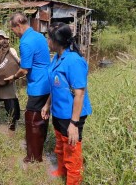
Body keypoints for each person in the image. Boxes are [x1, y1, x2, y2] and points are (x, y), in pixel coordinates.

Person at [41, 22, 92, 184]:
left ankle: (74, 180)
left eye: (49, 38)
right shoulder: (57, 58)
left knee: (72, 150)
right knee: (60, 144)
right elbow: (56, 86)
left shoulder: (74, 61)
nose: (47, 42)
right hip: (58, 112)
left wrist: (74, 123)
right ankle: (61, 170)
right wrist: (47, 104)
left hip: (71, 115)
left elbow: (79, 94)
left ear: (56, 41)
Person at [5, 13, 50, 163]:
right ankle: (39, 151)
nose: (14, 34)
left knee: (32, 120)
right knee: (43, 118)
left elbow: (24, 69)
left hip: (38, 85)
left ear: (18, 25)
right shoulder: (38, 36)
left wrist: (13, 77)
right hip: (47, 83)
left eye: (13, 30)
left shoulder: (25, 42)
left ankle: (33, 157)